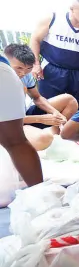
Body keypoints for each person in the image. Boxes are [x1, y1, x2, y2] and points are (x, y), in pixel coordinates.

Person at [4, 44, 79, 150]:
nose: (23, 73)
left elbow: (37, 98)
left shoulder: (25, 75)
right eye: (18, 68)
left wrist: (54, 113)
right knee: (43, 139)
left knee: (69, 100)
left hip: (22, 116)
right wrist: (40, 119)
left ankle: (55, 135)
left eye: (28, 68)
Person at [29, 0, 79, 106]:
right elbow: (35, 40)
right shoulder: (53, 19)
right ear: (72, 9)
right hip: (51, 69)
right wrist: (36, 64)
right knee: (49, 106)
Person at [0, 55, 43, 186]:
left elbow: (37, 97)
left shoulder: (27, 80)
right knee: (16, 142)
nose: (23, 72)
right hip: (4, 72)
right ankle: (41, 196)